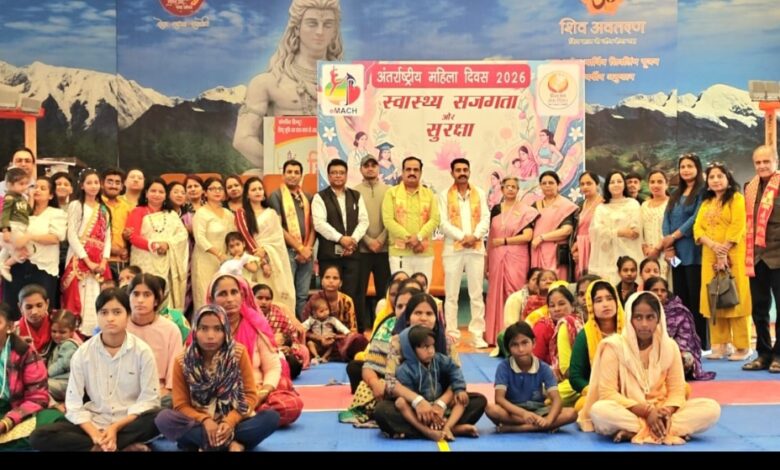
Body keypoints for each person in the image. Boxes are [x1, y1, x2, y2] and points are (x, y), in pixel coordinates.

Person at [578, 292, 721, 445]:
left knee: (711, 408)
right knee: (600, 411)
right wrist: (647, 412)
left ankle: (638, 430)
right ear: (629, 318)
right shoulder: (614, 347)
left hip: (662, 409)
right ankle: (664, 430)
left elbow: (677, 390)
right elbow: (608, 393)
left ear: (659, 319)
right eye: (638, 317)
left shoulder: (669, 346)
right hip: (629, 410)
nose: (644, 324)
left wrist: (666, 412)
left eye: (650, 317)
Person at [30, 288, 161, 452]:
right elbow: (73, 403)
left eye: (117, 312)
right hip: (94, 421)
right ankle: (115, 445)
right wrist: (95, 434)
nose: (110, 318)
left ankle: (101, 446)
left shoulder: (142, 351)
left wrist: (115, 428)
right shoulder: (83, 353)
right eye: (104, 312)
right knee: (39, 436)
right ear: (97, 316)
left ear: (128, 315)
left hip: (129, 422)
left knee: (159, 417)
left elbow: (150, 399)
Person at [233, 0, 344, 172]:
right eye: (312, 23)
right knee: (251, 176)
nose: (320, 31)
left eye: (328, 24)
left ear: (335, 30)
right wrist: (283, 167)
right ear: (296, 28)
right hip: (285, 174)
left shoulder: (346, 82)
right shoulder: (267, 83)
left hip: (334, 174)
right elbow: (243, 139)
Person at [154, 304, 280, 452]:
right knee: (164, 419)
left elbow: (250, 396)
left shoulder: (238, 353)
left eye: (218, 329)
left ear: (225, 330)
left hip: (235, 421)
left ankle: (206, 443)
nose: (210, 336)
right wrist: (206, 420)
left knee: (271, 418)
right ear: (195, 330)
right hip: (199, 422)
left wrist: (229, 421)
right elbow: (181, 405)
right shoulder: (182, 361)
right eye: (203, 328)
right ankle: (232, 444)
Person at [372, 293, 486, 438]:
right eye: (418, 313)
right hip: (411, 403)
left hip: (442, 401)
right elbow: (390, 382)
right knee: (382, 411)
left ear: (436, 318)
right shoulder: (398, 341)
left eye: (429, 314)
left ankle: (428, 429)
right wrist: (418, 401)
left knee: (478, 401)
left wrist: (441, 404)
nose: (423, 318)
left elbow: (455, 376)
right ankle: (449, 429)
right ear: (408, 319)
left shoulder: (446, 341)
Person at [207, 274, 303, 426]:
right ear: (212, 299)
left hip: (256, 392)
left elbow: (272, 367)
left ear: (243, 295)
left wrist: (261, 394)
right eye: (222, 294)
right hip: (216, 395)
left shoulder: (256, 325)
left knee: (291, 405)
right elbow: (192, 369)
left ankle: (238, 418)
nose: (230, 299)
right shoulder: (204, 327)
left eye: (234, 292)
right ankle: (242, 419)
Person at [693, 163, 751, 361]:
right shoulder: (706, 203)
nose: (716, 180)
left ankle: (743, 346)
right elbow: (697, 228)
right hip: (710, 255)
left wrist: (723, 251)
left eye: (720, 176)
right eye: (712, 177)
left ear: (728, 178)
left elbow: (738, 225)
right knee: (714, 297)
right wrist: (713, 246)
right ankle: (720, 345)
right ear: (707, 182)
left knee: (735, 296)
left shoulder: (737, 199)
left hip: (733, 255)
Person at [485, 321, 577, 433]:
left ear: (533, 343)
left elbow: (556, 399)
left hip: (539, 411)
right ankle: (541, 427)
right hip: (514, 412)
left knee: (571, 413)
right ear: (508, 348)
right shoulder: (504, 367)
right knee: (491, 409)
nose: (521, 349)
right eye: (514, 345)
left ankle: (516, 429)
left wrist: (549, 419)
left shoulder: (544, 368)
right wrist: (524, 414)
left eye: (525, 343)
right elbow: (499, 399)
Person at [312, 159, 369, 329]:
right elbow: (319, 224)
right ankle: (328, 330)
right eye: (334, 173)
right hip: (329, 255)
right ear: (328, 176)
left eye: (341, 173)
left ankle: (352, 331)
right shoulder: (320, 197)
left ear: (346, 175)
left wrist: (352, 240)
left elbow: (364, 221)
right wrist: (340, 239)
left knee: (352, 294)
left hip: (352, 255)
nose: (338, 176)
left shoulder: (356, 196)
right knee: (329, 294)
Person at [439, 158, 490, 347]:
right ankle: (452, 334)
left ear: (469, 172)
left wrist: (474, 236)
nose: (462, 173)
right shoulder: (444, 195)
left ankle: (477, 335)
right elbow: (443, 223)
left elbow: (485, 218)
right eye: (458, 170)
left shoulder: (480, 193)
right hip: (453, 249)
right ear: (452, 173)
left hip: (475, 248)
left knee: (476, 294)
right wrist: (463, 236)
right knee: (451, 294)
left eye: (465, 169)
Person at [394, 325, 476, 441]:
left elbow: (454, 369)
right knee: (400, 403)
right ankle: (430, 431)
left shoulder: (438, 359)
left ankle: (447, 427)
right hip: (420, 412)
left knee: (463, 399)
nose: (431, 350)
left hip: (441, 406)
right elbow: (409, 395)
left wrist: (459, 389)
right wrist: (426, 409)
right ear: (412, 349)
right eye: (425, 347)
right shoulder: (405, 370)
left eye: (432, 345)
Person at [2, 177, 66, 320]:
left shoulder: (56, 213)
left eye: (43, 188)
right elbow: (9, 232)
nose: (37, 190)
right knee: (12, 310)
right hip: (17, 265)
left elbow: (55, 238)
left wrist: (29, 237)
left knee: (41, 312)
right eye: (34, 187)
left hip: (43, 268)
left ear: (51, 195)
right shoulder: (21, 210)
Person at [662, 153, 707, 349]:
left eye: (690, 166)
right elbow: (666, 219)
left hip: (693, 252)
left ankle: (701, 342)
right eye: (683, 167)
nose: (686, 170)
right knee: (680, 297)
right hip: (674, 254)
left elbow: (696, 218)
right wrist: (669, 246)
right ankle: (684, 341)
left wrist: (674, 236)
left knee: (695, 298)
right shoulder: (674, 193)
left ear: (698, 169)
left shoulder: (702, 192)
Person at [0, 302, 58, 451]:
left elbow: (37, 397)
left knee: (47, 429)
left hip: (16, 409)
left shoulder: (24, 352)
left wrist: (7, 422)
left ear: (10, 326)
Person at [62, 169, 113, 337]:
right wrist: (87, 260)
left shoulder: (104, 209)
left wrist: (104, 261)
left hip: (99, 263)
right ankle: (78, 336)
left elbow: (107, 237)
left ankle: (97, 334)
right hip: (78, 259)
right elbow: (72, 235)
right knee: (79, 299)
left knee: (97, 297)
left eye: (96, 182)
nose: (93, 186)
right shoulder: (76, 206)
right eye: (89, 182)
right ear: (82, 186)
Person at [236, 177, 298, 315]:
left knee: (277, 295)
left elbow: (278, 239)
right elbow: (245, 237)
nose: (258, 192)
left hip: (273, 259)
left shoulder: (271, 213)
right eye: (253, 189)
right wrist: (262, 261)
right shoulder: (242, 213)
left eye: (260, 189)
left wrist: (265, 250)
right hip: (252, 261)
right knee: (256, 296)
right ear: (247, 194)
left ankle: (280, 322)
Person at [743, 145, 780, 373]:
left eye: (767, 161)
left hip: (778, 255)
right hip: (756, 257)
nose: (762, 166)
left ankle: (779, 355)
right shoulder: (749, 187)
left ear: (776, 162)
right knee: (759, 308)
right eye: (758, 162)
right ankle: (763, 354)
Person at [127, 178, 190, 310]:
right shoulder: (138, 211)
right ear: (146, 193)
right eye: (153, 191)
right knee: (144, 292)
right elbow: (133, 237)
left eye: (161, 192)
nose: (157, 194)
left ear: (166, 195)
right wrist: (154, 246)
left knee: (164, 296)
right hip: (144, 261)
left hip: (166, 263)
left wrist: (167, 244)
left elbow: (182, 235)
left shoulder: (172, 214)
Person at [126, 274, 185, 408]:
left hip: (159, 394)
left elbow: (174, 376)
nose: (140, 300)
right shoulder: (120, 327)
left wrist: (164, 393)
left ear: (156, 301)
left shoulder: (171, 330)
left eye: (147, 295)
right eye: (135, 294)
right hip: (123, 393)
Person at [382, 156, 440, 283]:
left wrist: (418, 237)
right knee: (401, 291)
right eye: (408, 169)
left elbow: (435, 219)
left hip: (423, 252)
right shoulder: (392, 193)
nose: (412, 172)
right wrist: (410, 238)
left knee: (422, 291)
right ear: (402, 172)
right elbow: (388, 220)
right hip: (399, 253)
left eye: (415, 170)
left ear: (421, 172)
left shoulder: (429, 194)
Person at [268, 161, 315, 317]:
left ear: (301, 176)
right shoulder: (276, 196)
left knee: (303, 295)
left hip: (307, 252)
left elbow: (314, 226)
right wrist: (299, 248)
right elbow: (278, 227)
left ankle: (302, 326)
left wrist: (307, 249)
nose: (293, 175)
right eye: (289, 172)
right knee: (287, 294)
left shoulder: (308, 197)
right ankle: (289, 325)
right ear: (283, 175)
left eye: (296, 172)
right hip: (287, 252)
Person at [644, 276, 715, 380]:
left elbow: (684, 338)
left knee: (686, 358)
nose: (659, 293)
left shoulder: (678, 311)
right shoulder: (639, 310)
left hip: (671, 352)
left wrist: (670, 351)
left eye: (663, 291)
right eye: (655, 290)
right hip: (646, 352)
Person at [569, 280, 625, 398]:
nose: (605, 304)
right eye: (599, 300)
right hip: (597, 393)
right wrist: (596, 392)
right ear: (591, 305)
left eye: (609, 298)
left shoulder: (630, 331)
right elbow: (575, 377)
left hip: (630, 391)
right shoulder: (585, 336)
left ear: (617, 301)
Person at [300, 265, 369, 361]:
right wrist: (320, 338)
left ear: (340, 283)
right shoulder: (314, 299)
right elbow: (303, 329)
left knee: (359, 339)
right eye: (327, 277)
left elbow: (352, 331)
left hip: (339, 343)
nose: (331, 281)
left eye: (335, 278)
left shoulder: (347, 300)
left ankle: (333, 356)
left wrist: (334, 337)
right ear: (322, 281)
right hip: (316, 343)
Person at [354, 154, 391, 328]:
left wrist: (381, 240)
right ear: (361, 169)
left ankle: (384, 328)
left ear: (378, 168)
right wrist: (368, 241)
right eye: (366, 165)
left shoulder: (389, 191)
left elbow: (392, 219)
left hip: (384, 250)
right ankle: (360, 329)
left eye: (373, 165)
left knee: (385, 293)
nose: (370, 168)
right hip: (362, 250)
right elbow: (353, 221)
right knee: (359, 292)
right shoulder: (354, 192)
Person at [589, 171, 644, 285]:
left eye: (619, 181)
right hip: (606, 256)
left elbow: (634, 232)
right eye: (612, 182)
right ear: (607, 186)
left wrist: (610, 231)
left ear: (624, 184)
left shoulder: (633, 204)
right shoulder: (601, 208)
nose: (616, 184)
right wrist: (619, 232)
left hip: (629, 253)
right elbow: (597, 230)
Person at [192, 177, 236, 311]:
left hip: (225, 261)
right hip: (205, 260)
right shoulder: (201, 213)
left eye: (220, 188)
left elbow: (233, 236)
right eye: (212, 189)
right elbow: (200, 238)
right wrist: (218, 254)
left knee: (224, 296)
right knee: (206, 297)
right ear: (205, 192)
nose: (217, 191)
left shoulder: (228, 213)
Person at [530, 171, 577, 281]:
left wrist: (542, 237)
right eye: (544, 183)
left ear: (558, 184)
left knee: (556, 284)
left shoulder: (566, 205)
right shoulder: (535, 206)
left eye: (551, 183)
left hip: (556, 254)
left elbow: (567, 230)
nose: (547, 186)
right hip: (537, 251)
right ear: (540, 186)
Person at [0, 168, 32, 282]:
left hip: (22, 227)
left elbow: (29, 211)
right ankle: (5, 265)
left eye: (26, 184)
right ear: (9, 184)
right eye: (21, 184)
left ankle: (3, 265)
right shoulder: (10, 197)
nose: (24, 187)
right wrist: (6, 230)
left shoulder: (22, 198)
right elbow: (5, 214)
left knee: (12, 250)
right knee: (25, 251)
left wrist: (30, 198)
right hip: (14, 226)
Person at [571, 171, 603, 279]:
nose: (585, 187)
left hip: (596, 247)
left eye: (589, 183)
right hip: (580, 248)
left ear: (597, 184)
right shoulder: (580, 205)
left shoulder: (603, 203)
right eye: (582, 184)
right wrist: (577, 246)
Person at [641, 170, 670, 280]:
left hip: (668, 253)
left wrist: (657, 249)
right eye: (652, 182)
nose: (655, 185)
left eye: (659, 182)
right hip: (648, 254)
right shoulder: (644, 205)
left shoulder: (672, 203)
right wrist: (645, 247)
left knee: (670, 283)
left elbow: (673, 230)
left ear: (667, 184)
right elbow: (640, 230)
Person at [101, 169, 131, 276]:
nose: (113, 186)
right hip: (99, 261)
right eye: (110, 182)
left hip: (123, 261)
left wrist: (127, 249)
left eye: (117, 183)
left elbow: (133, 232)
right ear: (102, 184)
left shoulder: (127, 207)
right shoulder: (96, 204)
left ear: (122, 186)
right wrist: (109, 249)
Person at [47, 309, 81, 403]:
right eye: (54, 331)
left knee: (42, 386)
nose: (57, 335)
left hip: (69, 384)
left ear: (72, 332)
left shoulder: (69, 344)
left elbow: (63, 364)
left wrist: (46, 373)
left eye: (62, 332)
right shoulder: (60, 344)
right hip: (62, 382)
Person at [303, 297, 351, 363]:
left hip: (328, 342)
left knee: (334, 343)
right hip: (317, 343)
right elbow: (302, 328)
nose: (325, 312)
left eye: (326, 309)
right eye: (321, 311)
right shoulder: (312, 320)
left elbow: (341, 327)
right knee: (310, 343)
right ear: (315, 313)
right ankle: (316, 356)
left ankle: (324, 357)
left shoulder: (332, 320)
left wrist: (347, 333)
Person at [15, 284, 54, 360]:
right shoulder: (15, 330)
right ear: (20, 307)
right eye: (28, 307)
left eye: (39, 305)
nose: (34, 312)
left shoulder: (58, 321)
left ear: (47, 304)